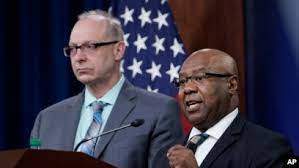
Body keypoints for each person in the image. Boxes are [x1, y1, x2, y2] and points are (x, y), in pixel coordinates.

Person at [31, 10, 183, 168]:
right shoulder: (48, 119)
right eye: (73, 49)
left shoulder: (158, 111)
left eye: (90, 46)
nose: (79, 57)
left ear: (118, 50)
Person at [167, 49, 293, 168]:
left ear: (231, 85)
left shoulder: (271, 147)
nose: (188, 88)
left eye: (199, 78)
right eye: (182, 81)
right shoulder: (170, 150)